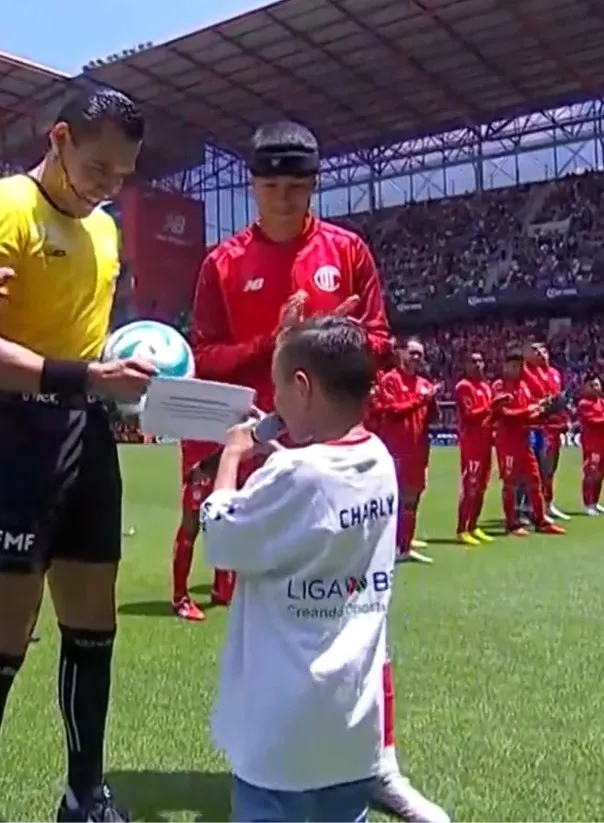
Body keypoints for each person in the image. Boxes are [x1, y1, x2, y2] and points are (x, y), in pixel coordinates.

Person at [192, 122, 448, 822]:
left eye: (296, 188)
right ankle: (275, 749)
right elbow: (205, 356)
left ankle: (376, 763)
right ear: (252, 185)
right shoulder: (222, 262)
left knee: (362, 601)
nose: (282, 201)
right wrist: (272, 343)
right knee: (278, 603)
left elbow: (380, 344)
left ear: (313, 186)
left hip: (337, 449)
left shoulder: (347, 251)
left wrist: (333, 332)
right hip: (264, 442)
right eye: (270, 187)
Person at [0, 88, 155, 821]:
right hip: (10, 435)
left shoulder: (107, 231)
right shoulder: (8, 208)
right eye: (98, 167)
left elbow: (92, 344)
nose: (107, 185)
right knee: (5, 634)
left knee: (94, 626)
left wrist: (125, 381)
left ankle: (84, 792)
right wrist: (85, 376)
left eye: (122, 174)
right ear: (58, 137)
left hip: (85, 434)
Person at [202, 317, 418, 823]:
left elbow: (221, 537)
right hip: (352, 729)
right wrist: (279, 455)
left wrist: (234, 456)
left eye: (277, 387)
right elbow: (318, 501)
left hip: (283, 738)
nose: (273, 402)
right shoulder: (380, 460)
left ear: (302, 386)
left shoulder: (293, 472)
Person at [370, 338, 439, 564]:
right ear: (401, 354)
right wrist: (421, 400)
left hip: (418, 451)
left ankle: (405, 546)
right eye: (412, 353)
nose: (416, 358)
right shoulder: (390, 381)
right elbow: (392, 411)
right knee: (392, 500)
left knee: (413, 499)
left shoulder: (424, 384)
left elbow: (431, 419)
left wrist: (432, 403)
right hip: (395, 450)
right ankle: (386, 546)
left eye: (420, 354)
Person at [492, 347, 565, 537]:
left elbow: (528, 414)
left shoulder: (524, 386)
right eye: (514, 365)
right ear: (506, 366)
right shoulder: (499, 386)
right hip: (507, 442)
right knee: (510, 483)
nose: (518, 369)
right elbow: (504, 414)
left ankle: (540, 521)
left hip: (524, 440)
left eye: (520, 365)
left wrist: (543, 411)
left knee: (535, 480)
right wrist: (530, 410)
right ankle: (511, 523)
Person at [454, 352, 502, 545]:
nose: (478, 365)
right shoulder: (463, 387)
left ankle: (473, 526)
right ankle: (461, 529)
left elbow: (490, 414)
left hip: (485, 443)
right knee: (470, 487)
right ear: (465, 365)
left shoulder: (485, 386)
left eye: (481, 361)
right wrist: (492, 406)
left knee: (481, 487)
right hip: (471, 444)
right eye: (473, 361)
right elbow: (469, 415)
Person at [522, 342, 571, 522]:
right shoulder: (527, 372)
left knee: (549, 470)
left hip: (554, 427)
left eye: (544, 350)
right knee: (533, 470)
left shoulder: (555, 374)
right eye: (535, 350)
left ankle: (547, 504)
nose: (541, 354)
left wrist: (564, 416)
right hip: (537, 425)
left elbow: (557, 399)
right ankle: (528, 508)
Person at [171, 439, 216, 620]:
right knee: (190, 526)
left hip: (226, 451)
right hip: (201, 457)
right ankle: (179, 598)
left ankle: (222, 588)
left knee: (229, 517)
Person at [577, 374, 604, 516]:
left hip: (602, 444)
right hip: (591, 445)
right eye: (592, 385)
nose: (595, 388)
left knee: (600, 475)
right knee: (591, 474)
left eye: (597, 385)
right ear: (585, 387)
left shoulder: (602, 402)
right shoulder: (584, 404)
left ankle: (595, 502)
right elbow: (593, 420)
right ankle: (588, 504)